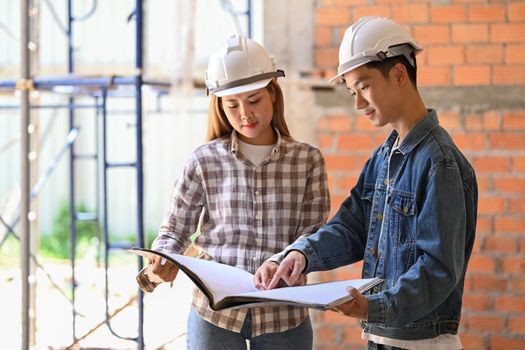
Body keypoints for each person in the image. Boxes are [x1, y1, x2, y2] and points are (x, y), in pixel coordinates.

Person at [256, 16, 478, 350]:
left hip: (422, 343)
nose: (358, 103)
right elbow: (352, 228)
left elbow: (439, 269)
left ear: (399, 74)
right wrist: (301, 255)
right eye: (351, 91)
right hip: (382, 336)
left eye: (364, 86)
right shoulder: (383, 157)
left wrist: (375, 306)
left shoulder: (439, 163)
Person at [144, 34, 330, 350]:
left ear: (273, 93)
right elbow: (174, 231)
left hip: (282, 316)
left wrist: (294, 262)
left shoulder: (308, 160)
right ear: (219, 105)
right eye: (232, 105)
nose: (245, 114)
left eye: (254, 100)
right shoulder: (204, 160)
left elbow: (313, 236)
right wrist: (160, 259)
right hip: (214, 317)